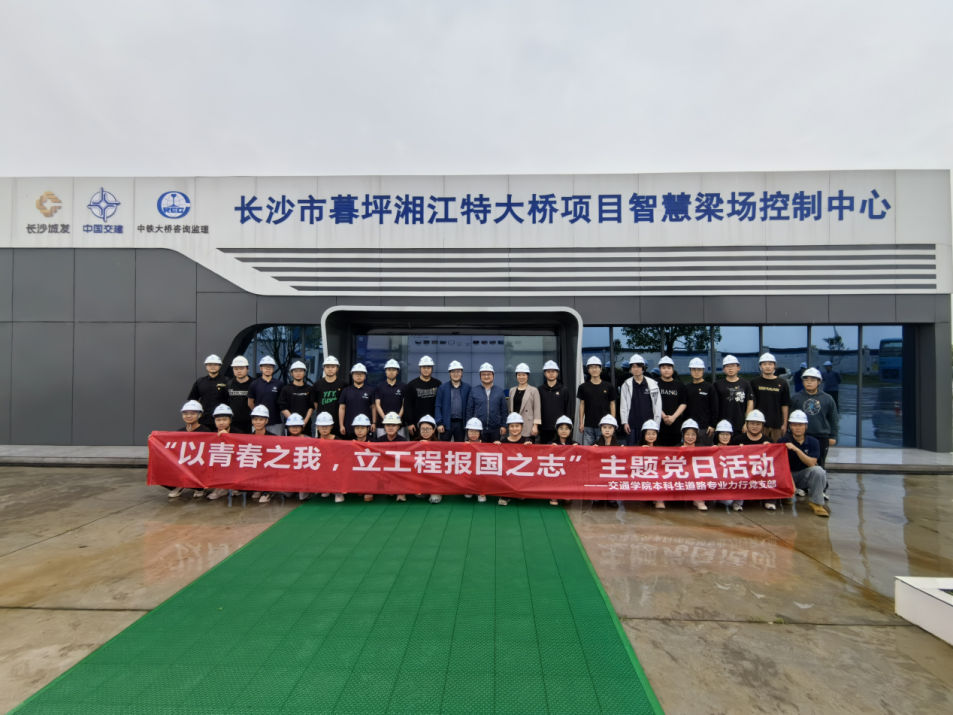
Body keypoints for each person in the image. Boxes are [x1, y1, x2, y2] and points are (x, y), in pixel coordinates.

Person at [779, 410, 830, 517]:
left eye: (800, 425)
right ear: (790, 426)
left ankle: (816, 503)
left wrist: (797, 450)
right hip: (786, 476)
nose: (797, 428)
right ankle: (785, 496)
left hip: (804, 476)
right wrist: (790, 484)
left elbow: (812, 463)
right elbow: (779, 466)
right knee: (786, 499)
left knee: (819, 471)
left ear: (806, 426)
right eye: (794, 425)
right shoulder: (782, 441)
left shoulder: (813, 442)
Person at [790, 367, 838, 470]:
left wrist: (833, 435)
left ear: (819, 382)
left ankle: (819, 480)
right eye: (806, 380)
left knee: (819, 465)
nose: (809, 382)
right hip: (801, 436)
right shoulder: (796, 398)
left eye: (812, 380)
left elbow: (833, 418)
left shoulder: (827, 398)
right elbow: (790, 417)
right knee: (799, 463)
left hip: (821, 436)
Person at [732, 409, 774, 511]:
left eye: (758, 424)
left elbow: (775, 462)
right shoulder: (737, 440)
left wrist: (770, 449)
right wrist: (737, 450)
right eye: (752, 423)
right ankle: (737, 502)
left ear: (763, 425)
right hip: (743, 474)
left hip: (761, 474)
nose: (755, 426)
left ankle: (770, 500)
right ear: (747, 424)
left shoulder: (769, 441)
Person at [168, 400, 211, 499]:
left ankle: (200, 488)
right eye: (185, 413)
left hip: (199, 464)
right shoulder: (179, 432)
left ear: (200, 415)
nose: (188, 416)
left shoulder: (206, 431)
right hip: (183, 463)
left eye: (193, 413)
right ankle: (179, 485)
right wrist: (155, 439)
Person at [619, 354, 661, 447]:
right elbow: (623, 405)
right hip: (632, 424)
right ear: (630, 368)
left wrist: (656, 424)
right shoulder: (626, 384)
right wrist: (625, 422)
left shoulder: (652, 384)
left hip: (648, 424)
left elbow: (658, 405)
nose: (636, 369)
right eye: (633, 367)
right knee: (632, 450)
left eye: (638, 366)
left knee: (648, 451)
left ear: (643, 368)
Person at [578, 356, 619, 446]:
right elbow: (582, 404)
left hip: (605, 425)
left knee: (603, 450)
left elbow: (612, 404)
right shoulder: (583, 387)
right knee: (588, 450)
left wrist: (612, 422)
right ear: (588, 370)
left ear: (601, 369)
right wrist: (581, 423)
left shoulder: (609, 386)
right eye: (591, 367)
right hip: (588, 425)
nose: (594, 370)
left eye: (596, 367)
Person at [494, 413, 533, 506]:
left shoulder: (527, 441)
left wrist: (530, 447)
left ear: (522, 427)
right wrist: (495, 446)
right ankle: (505, 495)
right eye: (512, 426)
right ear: (508, 427)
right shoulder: (503, 442)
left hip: (521, 472)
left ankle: (519, 492)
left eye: (517, 426)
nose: (514, 428)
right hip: (508, 472)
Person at [750, 353, 790, 442]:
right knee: (759, 448)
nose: (767, 366)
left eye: (770, 364)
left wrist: (785, 424)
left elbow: (785, 404)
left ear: (775, 366)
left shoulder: (782, 383)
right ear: (760, 366)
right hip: (758, 423)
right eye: (764, 364)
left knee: (776, 448)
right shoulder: (754, 382)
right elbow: (750, 403)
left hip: (777, 424)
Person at [465, 362, 508, 443]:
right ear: (480, 376)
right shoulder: (474, 390)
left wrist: (503, 425)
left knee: (495, 449)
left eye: (489, 374)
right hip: (478, 429)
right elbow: (469, 410)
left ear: (493, 376)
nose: (486, 376)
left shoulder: (499, 391)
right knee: (479, 449)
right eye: (483, 374)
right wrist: (469, 427)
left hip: (495, 429)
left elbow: (504, 410)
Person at [207, 405, 242, 501]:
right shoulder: (211, 435)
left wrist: (229, 438)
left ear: (230, 420)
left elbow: (241, 453)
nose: (221, 422)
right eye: (218, 420)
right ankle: (220, 487)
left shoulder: (239, 433)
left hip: (234, 464)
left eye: (224, 419)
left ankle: (234, 485)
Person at [714, 355, 754, 435]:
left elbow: (750, 403)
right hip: (721, 425)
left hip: (740, 425)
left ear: (738, 368)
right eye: (727, 366)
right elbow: (713, 405)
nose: (730, 368)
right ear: (724, 369)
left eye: (733, 366)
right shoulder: (717, 384)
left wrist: (747, 422)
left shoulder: (745, 384)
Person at [187, 354, 228, 429]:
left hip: (222, 419)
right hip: (204, 419)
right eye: (210, 364)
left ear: (220, 366)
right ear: (206, 366)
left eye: (215, 364)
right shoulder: (200, 381)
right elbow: (194, 399)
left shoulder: (227, 381)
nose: (212, 366)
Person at [404, 356, 442, 437]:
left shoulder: (438, 384)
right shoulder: (411, 385)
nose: (426, 370)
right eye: (424, 367)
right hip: (415, 425)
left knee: (432, 444)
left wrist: (439, 422)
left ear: (432, 368)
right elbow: (407, 405)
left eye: (428, 367)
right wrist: (409, 423)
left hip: (433, 424)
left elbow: (441, 405)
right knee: (416, 444)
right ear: (419, 368)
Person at [537, 360, 572, 445]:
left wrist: (567, 425)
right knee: (545, 450)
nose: (551, 374)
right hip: (544, 428)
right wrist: (538, 426)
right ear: (545, 373)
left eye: (553, 371)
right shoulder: (540, 389)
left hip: (560, 428)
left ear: (557, 373)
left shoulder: (563, 389)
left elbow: (568, 408)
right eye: (548, 371)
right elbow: (537, 409)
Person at [311, 355, 347, 437]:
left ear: (337, 368)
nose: (330, 369)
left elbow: (344, 404)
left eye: (333, 367)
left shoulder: (343, 384)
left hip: (338, 422)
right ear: (324, 368)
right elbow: (315, 403)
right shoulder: (317, 384)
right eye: (327, 367)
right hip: (322, 423)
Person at [248, 356, 285, 435]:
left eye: (270, 366)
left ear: (273, 369)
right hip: (259, 423)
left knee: (275, 442)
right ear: (260, 368)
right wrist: (258, 414)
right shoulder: (254, 384)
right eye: (265, 366)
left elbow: (282, 403)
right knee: (258, 442)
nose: (268, 368)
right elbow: (250, 402)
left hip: (275, 421)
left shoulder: (279, 384)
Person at [711, 419, 742, 512]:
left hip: (732, 482)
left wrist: (743, 450)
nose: (725, 437)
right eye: (722, 434)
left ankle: (737, 503)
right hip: (719, 483)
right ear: (717, 435)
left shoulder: (735, 449)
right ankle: (719, 500)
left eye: (727, 434)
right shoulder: (712, 448)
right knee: (728, 501)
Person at [685, 358, 718, 446]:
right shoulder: (687, 388)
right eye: (694, 369)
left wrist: (713, 425)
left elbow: (715, 407)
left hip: (705, 428)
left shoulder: (709, 387)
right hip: (689, 427)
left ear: (703, 371)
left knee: (705, 452)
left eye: (699, 369)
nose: (696, 372)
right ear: (690, 371)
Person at [656, 356, 688, 447]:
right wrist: (663, 416)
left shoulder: (679, 385)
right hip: (659, 425)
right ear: (659, 369)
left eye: (669, 368)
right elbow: (653, 402)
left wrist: (673, 417)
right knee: (659, 451)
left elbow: (683, 403)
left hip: (675, 426)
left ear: (673, 369)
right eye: (663, 368)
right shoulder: (654, 384)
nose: (666, 370)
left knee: (675, 452)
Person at [435, 361, 471, 442]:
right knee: (444, 446)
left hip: (461, 424)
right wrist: (439, 423)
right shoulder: (442, 388)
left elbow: (470, 407)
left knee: (460, 447)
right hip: (446, 424)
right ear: (449, 373)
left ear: (462, 373)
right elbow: (438, 406)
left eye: (458, 372)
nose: (456, 374)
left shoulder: (468, 388)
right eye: (453, 372)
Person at [338, 363, 375, 440]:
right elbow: (342, 408)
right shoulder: (346, 391)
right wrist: (341, 425)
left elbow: (374, 408)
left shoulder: (370, 390)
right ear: (352, 376)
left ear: (365, 376)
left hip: (365, 426)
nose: (359, 376)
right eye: (356, 374)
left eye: (361, 374)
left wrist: (374, 423)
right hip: (349, 427)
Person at [247, 405, 275, 504]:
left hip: (268, 468)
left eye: (261, 419)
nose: (258, 422)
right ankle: (257, 487)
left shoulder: (274, 438)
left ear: (266, 421)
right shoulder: (246, 438)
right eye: (255, 419)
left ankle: (267, 491)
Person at [378, 412, 409, 501]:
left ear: (398, 426)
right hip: (384, 468)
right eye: (388, 425)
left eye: (393, 425)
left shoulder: (403, 441)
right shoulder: (379, 440)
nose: (390, 428)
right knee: (390, 492)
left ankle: (401, 491)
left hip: (398, 469)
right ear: (384, 426)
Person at [679, 418, 708, 511]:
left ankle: (698, 500)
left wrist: (716, 449)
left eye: (693, 434)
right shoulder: (677, 447)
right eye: (687, 434)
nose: (690, 437)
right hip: (682, 475)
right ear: (683, 434)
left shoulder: (701, 447)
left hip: (697, 476)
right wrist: (679, 452)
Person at [278, 361, 313, 436]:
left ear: (304, 372)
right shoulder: (286, 389)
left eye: (301, 371)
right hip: (291, 425)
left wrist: (304, 422)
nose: (298, 373)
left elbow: (311, 406)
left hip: (306, 424)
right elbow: (282, 407)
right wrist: (294, 422)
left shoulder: (310, 389)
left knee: (307, 442)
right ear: (291, 373)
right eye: (296, 371)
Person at [373, 359, 406, 438]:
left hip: (399, 423)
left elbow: (404, 405)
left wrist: (397, 419)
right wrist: (385, 419)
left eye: (394, 370)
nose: (391, 372)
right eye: (389, 370)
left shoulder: (403, 386)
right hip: (382, 423)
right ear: (385, 371)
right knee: (382, 444)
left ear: (397, 372)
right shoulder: (379, 386)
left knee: (399, 444)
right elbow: (377, 404)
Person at [508, 363, 541, 441]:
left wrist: (535, 426)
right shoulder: (512, 390)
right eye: (519, 375)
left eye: (524, 375)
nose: (521, 377)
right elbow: (509, 408)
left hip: (528, 425)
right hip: (514, 425)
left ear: (528, 376)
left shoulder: (534, 390)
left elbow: (537, 409)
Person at [636, 418, 664, 509]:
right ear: (644, 434)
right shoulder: (637, 447)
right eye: (648, 434)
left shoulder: (661, 448)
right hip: (643, 474)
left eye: (653, 433)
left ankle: (658, 499)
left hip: (657, 474)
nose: (651, 436)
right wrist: (640, 451)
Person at [349, 414, 374, 503]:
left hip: (370, 470)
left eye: (362, 428)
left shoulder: (374, 443)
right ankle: (358, 486)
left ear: (368, 429)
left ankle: (369, 489)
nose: (359, 430)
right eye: (357, 428)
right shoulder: (350, 443)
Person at [463, 417, 488, 503]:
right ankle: (469, 490)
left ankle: (481, 492)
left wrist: (497, 445)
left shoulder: (485, 444)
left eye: (476, 431)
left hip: (480, 470)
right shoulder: (463, 444)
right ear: (467, 432)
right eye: (471, 431)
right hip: (468, 469)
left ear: (480, 432)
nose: (473, 434)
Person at [227, 356, 254, 434]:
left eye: (242, 368)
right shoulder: (229, 384)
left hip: (250, 422)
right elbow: (226, 401)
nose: (239, 371)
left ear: (247, 369)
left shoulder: (254, 384)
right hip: (233, 422)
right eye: (236, 369)